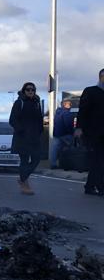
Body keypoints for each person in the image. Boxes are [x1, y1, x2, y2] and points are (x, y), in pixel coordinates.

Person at [9, 82, 43, 195]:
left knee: (36, 159)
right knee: (24, 160)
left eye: (32, 90)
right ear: (24, 91)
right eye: (28, 90)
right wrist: (22, 130)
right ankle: (24, 184)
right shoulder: (19, 102)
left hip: (34, 138)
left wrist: (40, 131)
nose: (30, 91)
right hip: (22, 138)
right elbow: (12, 120)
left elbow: (39, 119)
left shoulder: (37, 103)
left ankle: (22, 179)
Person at [75, 68, 104, 196]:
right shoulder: (90, 91)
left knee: (98, 161)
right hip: (93, 133)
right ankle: (99, 187)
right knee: (97, 161)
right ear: (100, 77)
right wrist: (79, 128)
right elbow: (82, 111)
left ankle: (90, 186)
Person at [50, 99, 75, 169]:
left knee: (55, 149)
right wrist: (72, 133)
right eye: (69, 104)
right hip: (65, 134)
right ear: (65, 104)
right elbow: (68, 124)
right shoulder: (67, 113)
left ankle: (53, 164)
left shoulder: (57, 112)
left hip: (57, 134)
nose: (71, 106)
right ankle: (68, 164)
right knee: (70, 148)